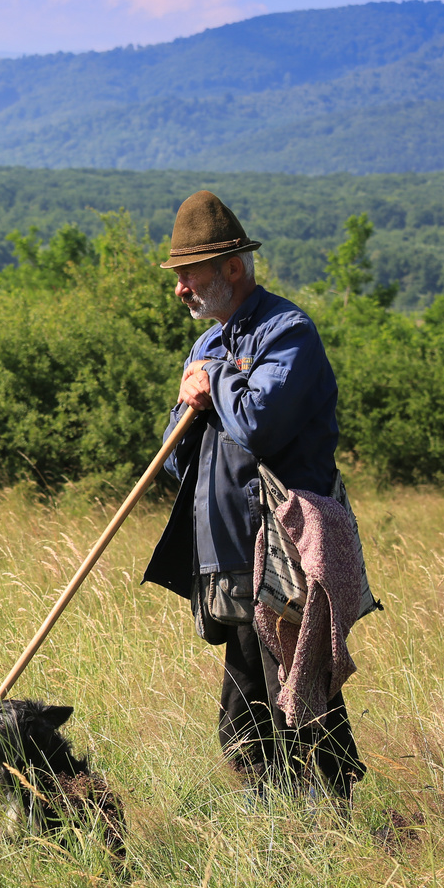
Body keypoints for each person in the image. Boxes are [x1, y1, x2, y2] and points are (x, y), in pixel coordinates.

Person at [141, 191, 365, 802]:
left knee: (296, 699)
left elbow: (261, 424)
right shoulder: (206, 345)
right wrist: (197, 393)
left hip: (279, 552)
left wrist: (214, 382)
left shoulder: (286, 332)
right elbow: (175, 449)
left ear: (231, 268)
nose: (181, 288)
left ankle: (328, 832)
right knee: (243, 720)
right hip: (223, 555)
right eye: (179, 276)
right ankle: (272, 839)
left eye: (189, 274)